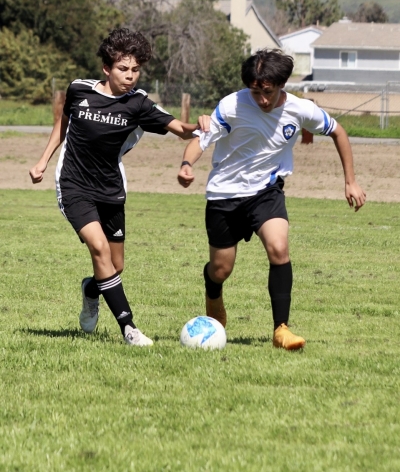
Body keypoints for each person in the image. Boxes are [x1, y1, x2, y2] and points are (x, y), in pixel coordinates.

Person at [29, 27, 210, 347]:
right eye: (123, 69)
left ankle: (90, 290)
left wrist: (200, 123)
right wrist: (44, 160)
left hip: (111, 188)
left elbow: (181, 130)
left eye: (136, 70)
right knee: (98, 249)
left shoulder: (138, 104)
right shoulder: (79, 90)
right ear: (106, 68)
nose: (130, 76)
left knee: (115, 266)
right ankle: (129, 329)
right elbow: (63, 124)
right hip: (73, 184)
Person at [177, 48, 366, 350]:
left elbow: (338, 132)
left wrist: (351, 181)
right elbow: (201, 141)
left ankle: (281, 330)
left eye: (268, 92)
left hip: (267, 191)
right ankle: (213, 295)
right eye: (256, 92)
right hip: (224, 195)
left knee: (279, 248)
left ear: (281, 85)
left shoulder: (300, 109)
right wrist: (187, 165)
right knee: (221, 269)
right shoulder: (232, 105)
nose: (262, 99)